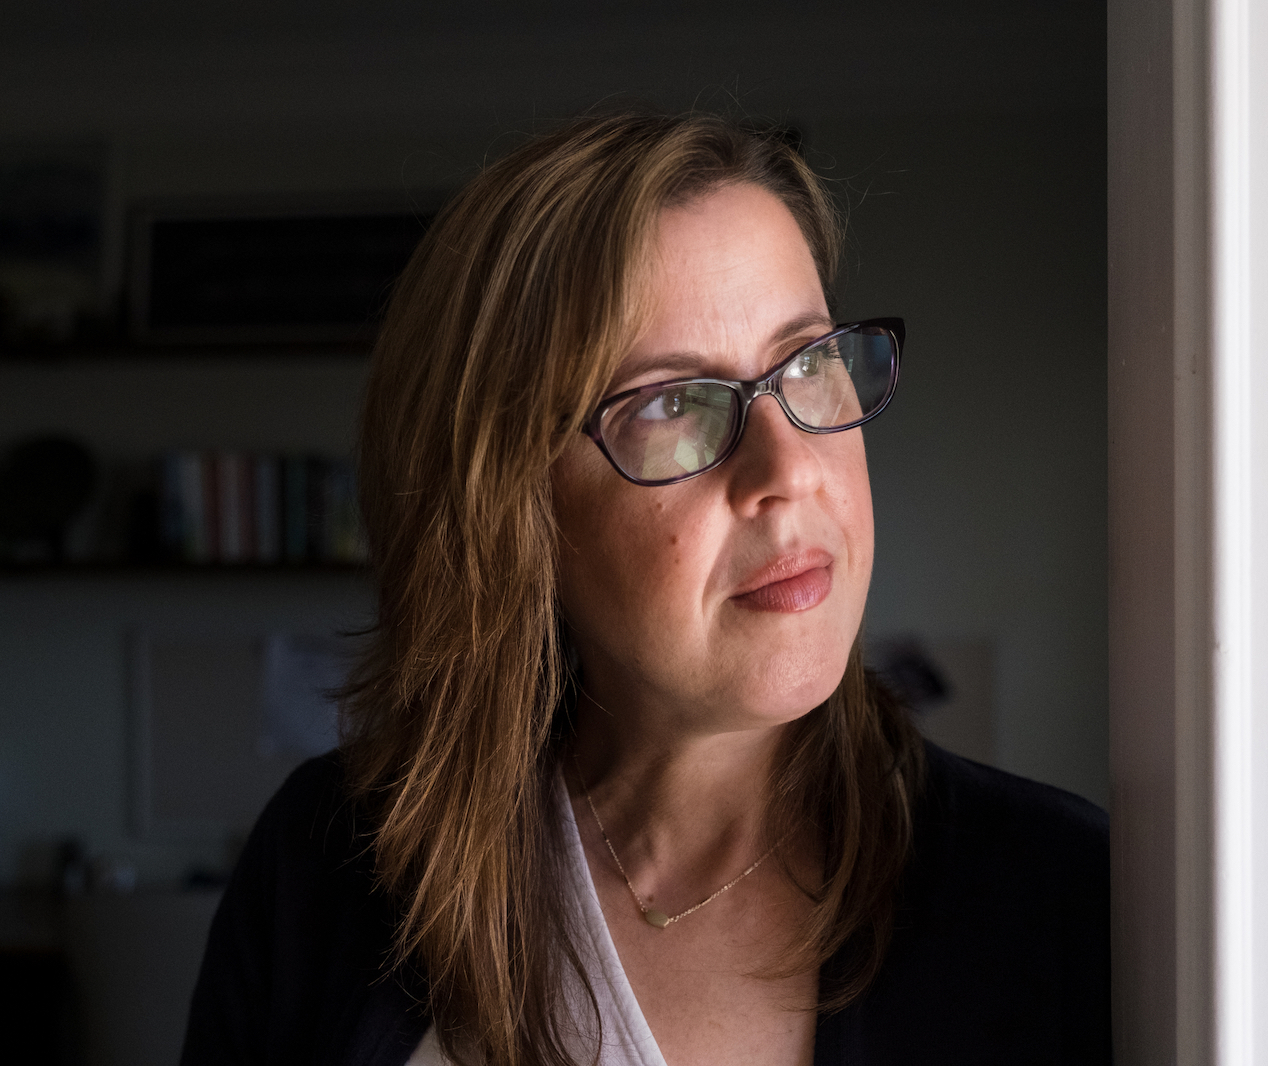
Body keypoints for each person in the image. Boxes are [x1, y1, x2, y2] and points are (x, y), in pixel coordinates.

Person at [181, 111, 1110, 1066]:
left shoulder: (1065, 901)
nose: (788, 470)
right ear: (511, 507)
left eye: (811, 360)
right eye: (672, 402)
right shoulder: (326, 866)